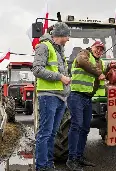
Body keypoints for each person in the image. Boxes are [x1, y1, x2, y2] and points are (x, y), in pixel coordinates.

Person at [66, 41, 111, 171]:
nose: (99, 51)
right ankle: (71, 159)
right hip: (76, 96)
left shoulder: (100, 62)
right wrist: (99, 73)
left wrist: (109, 68)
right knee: (76, 126)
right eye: (97, 48)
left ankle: (79, 156)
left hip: (88, 98)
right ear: (92, 47)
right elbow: (82, 62)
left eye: (101, 49)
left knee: (85, 128)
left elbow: (102, 75)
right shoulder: (83, 54)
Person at [32, 22, 71, 171]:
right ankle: (41, 166)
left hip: (60, 97)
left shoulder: (59, 50)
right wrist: (60, 77)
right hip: (48, 96)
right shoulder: (44, 46)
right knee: (45, 133)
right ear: (61, 34)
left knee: (52, 134)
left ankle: (48, 164)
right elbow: (37, 69)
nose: (68, 39)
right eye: (67, 36)